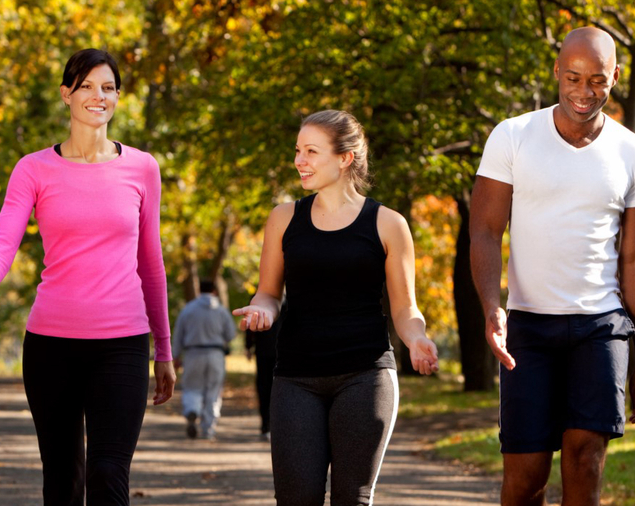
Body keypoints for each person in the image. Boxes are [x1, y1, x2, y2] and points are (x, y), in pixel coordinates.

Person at [0, 48, 176, 506]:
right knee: (62, 479)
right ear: (65, 95)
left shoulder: (143, 168)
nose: (99, 96)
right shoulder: (33, 169)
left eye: (108, 87)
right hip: (52, 345)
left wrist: (163, 350)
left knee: (108, 473)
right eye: (87, 86)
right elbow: (2, 242)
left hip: (123, 343)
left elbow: (150, 261)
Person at [469, 27, 635, 506]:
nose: (583, 91)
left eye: (597, 80)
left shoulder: (634, 153)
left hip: (601, 327)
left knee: (584, 462)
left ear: (615, 76)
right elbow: (485, 232)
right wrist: (493, 309)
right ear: (557, 71)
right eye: (573, 77)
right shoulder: (512, 136)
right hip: (528, 328)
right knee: (525, 479)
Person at [232, 109, 441, 505]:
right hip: (296, 377)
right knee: (296, 498)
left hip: (365, 376)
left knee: (352, 497)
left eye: (311, 151)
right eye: (298, 150)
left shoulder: (388, 224)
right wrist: (263, 311)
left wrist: (416, 338)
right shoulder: (283, 219)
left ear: (345, 158)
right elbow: (269, 292)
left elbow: (404, 308)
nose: (299, 161)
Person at [171, 280, 237, 440]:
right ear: (214, 291)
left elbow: (178, 334)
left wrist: (175, 356)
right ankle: (208, 429)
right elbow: (231, 334)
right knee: (213, 392)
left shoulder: (188, 309)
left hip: (193, 353)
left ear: (199, 290)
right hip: (215, 354)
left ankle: (192, 410)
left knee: (192, 387)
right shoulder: (221, 310)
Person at [245, 297, 284, 441]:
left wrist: (248, 345)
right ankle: (269, 425)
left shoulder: (259, 299)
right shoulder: (284, 299)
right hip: (278, 352)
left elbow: (250, 327)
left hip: (266, 351)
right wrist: (248, 345)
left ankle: (267, 425)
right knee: (271, 388)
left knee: (264, 387)